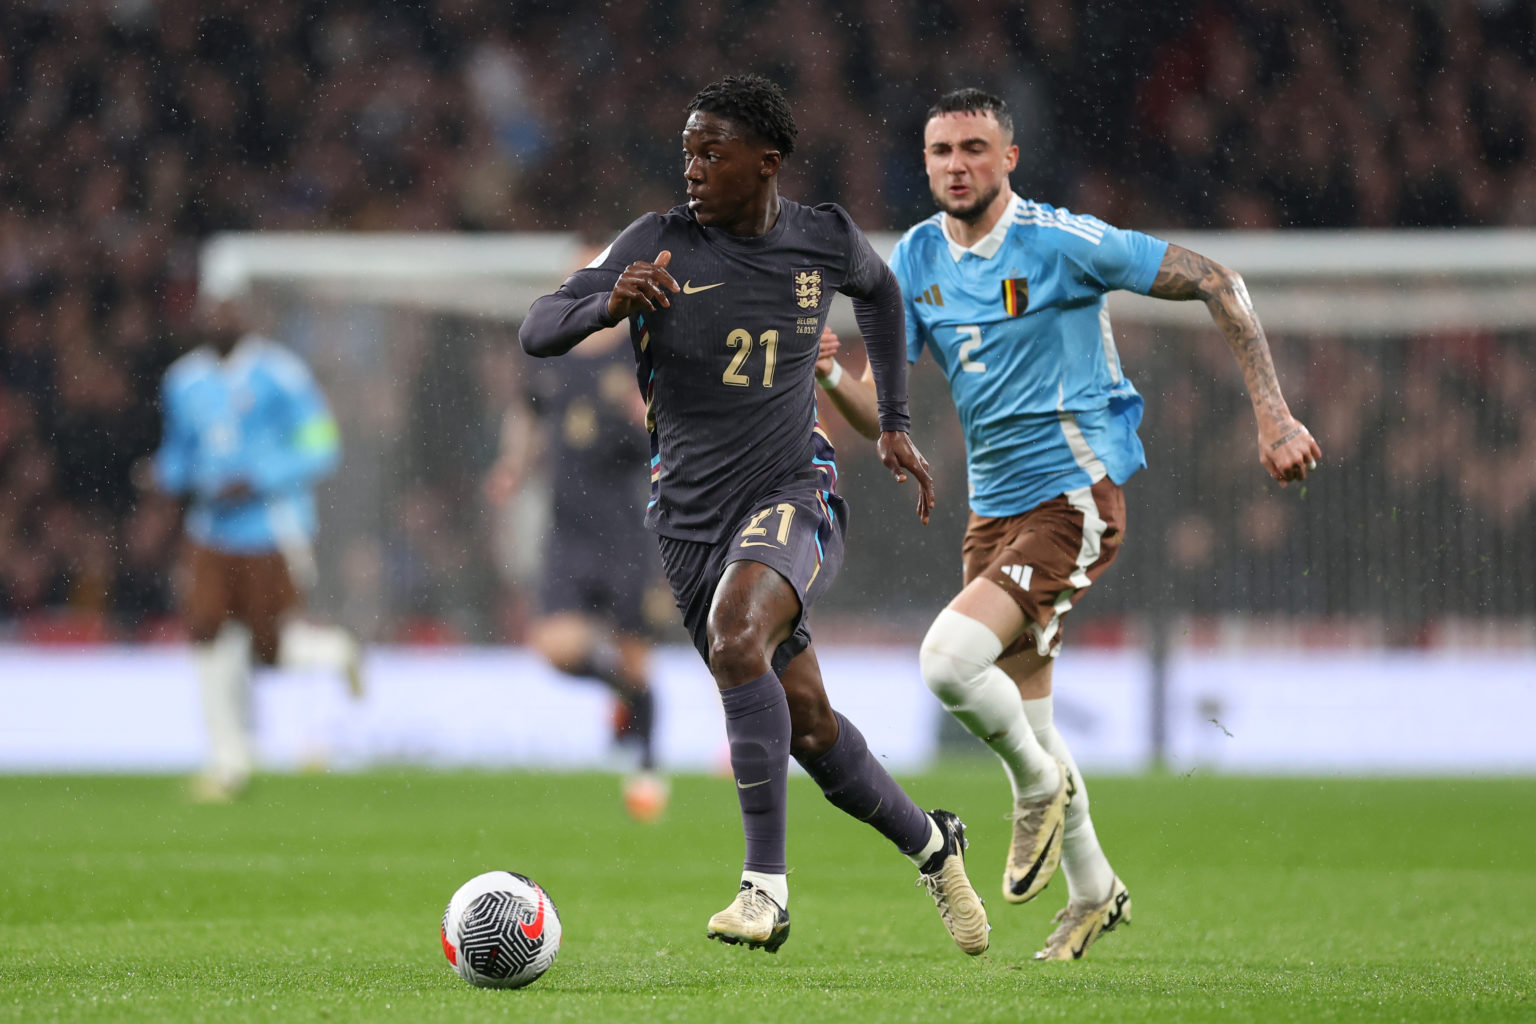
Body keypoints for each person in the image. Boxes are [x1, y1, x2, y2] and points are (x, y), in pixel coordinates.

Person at [813, 87, 1322, 961]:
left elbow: (1216, 279)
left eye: (975, 147)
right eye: (941, 151)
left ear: (1009, 158)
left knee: (946, 662)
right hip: (992, 514)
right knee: (1031, 716)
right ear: (925, 163)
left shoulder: (1063, 241)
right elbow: (881, 416)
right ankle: (1095, 891)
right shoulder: (917, 261)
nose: (957, 165)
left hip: (1074, 498)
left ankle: (1035, 789)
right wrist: (829, 379)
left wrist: (1273, 415)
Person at [519, 74, 989, 957]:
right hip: (688, 526)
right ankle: (934, 844)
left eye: (711, 152)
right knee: (808, 726)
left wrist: (892, 423)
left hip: (792, 492)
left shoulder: (822, 239)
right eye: (687, 151)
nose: (691, 168)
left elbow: (883, 297)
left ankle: (763, 891)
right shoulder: (656, 242)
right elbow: (538, 328)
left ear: (766, 162)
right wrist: (607, 304)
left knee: (740, 635)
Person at [148, 292, 364, 802]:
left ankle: (336, 652)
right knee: (206, 632)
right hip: (209, 531)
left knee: (270, 649)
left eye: (229, 309)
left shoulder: (282, 374)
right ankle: (227, 762)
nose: (219, 318)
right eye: (211, 310)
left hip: (272, 527)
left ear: (249, 317)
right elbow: (178, 452)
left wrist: (261, 478)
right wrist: (165, 476)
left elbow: (321, 442)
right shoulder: (182, 381)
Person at [485, 319, 668, 821]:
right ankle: (632, 697)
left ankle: (648, 768)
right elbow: (528, 413)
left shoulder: (640, 351)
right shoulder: (552, 355)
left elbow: (675, 423)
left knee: (635, 652)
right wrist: (512, 465)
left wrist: (650, 415)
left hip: (625, 527)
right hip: (567, 531)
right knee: (555, 644)